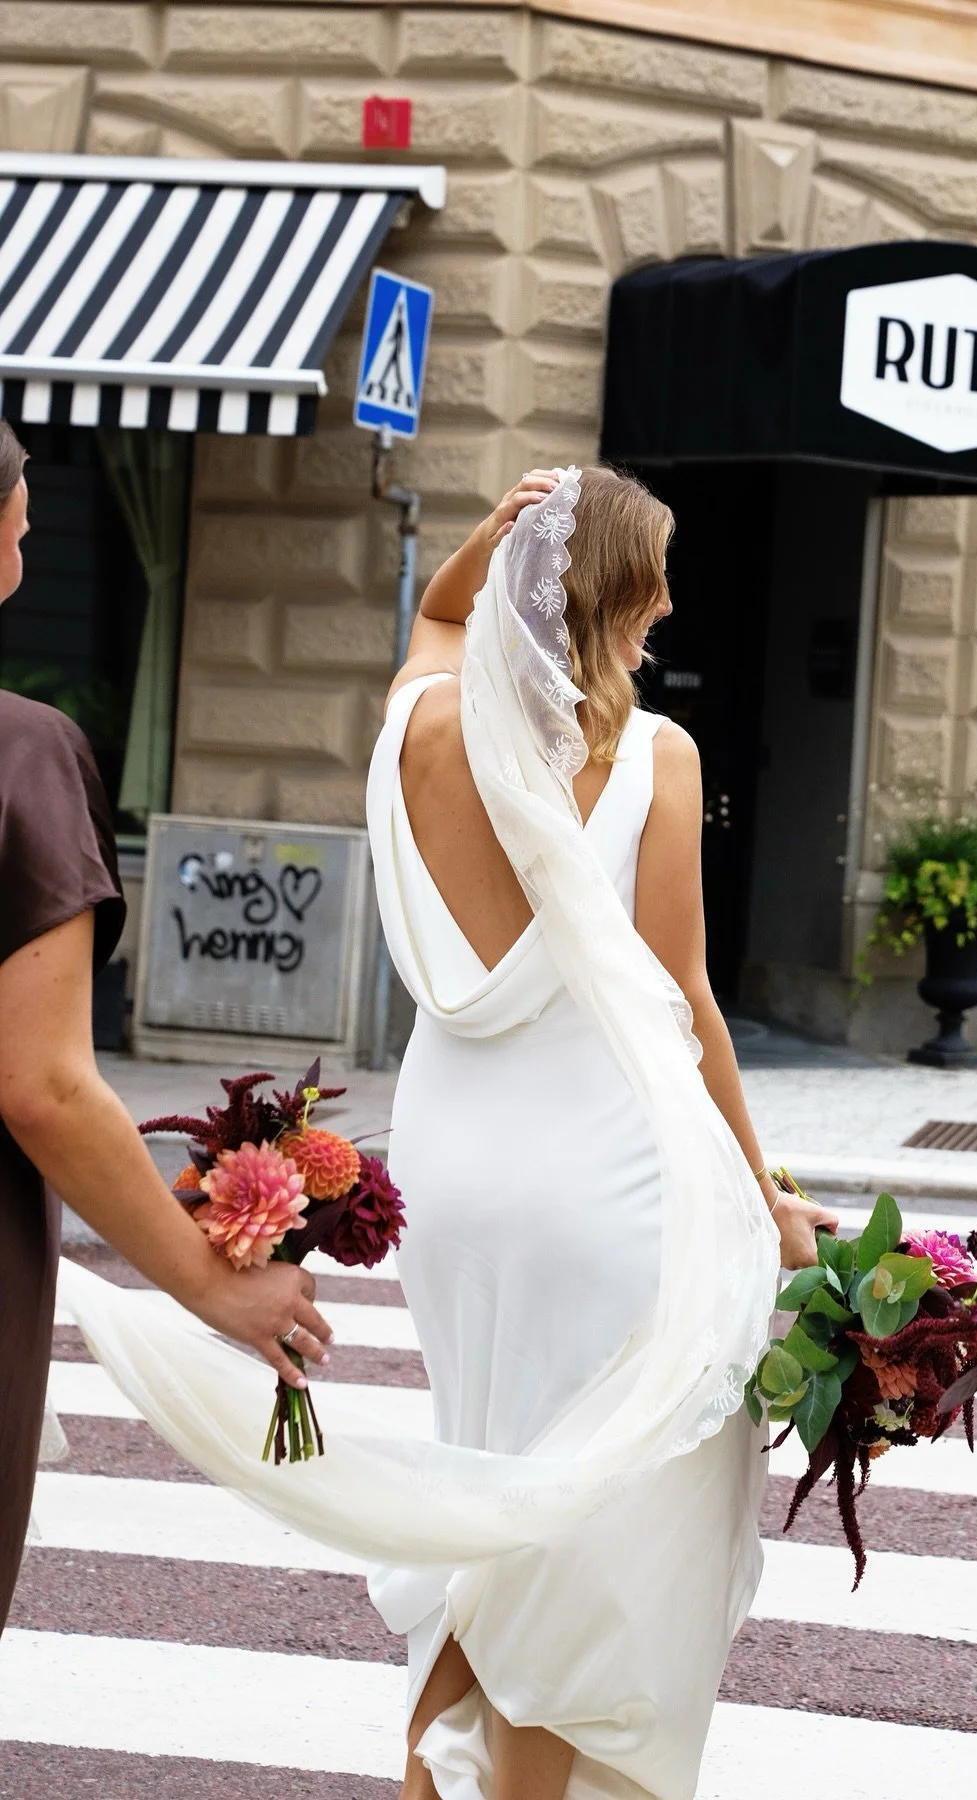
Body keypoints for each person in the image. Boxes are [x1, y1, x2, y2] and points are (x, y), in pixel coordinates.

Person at [372, 463, 836, 1800]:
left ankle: (424, 1778)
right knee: (593, 1524)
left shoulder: (416, 730)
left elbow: (443, 619)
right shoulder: (653, 757)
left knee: (492, 1479)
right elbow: (684, 997)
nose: (674, 604)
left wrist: (498, 533)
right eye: (654, 582)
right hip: (602, 1177)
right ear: (609, 596)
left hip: (451, 1178)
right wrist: (761, 1195)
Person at [0, 420, 332, 1630]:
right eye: (22, 501)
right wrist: (212, 1283)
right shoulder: (23, 757)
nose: (32, 515)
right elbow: (42, 1083)